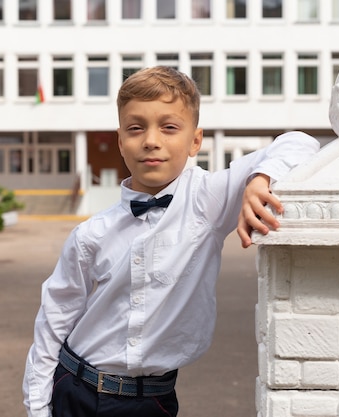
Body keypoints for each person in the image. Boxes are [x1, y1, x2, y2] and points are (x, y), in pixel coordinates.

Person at [22, 66, 320, 417]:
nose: (151, 140)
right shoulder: (91, 233)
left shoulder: (206, 200)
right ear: (120, 142)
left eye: (169, 127)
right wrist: (38, 407)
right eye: (136, 128)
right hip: (74, 387)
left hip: (151, 401)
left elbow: (301, 142)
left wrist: (260, 179)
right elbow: (54, 319)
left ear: (195, 141)